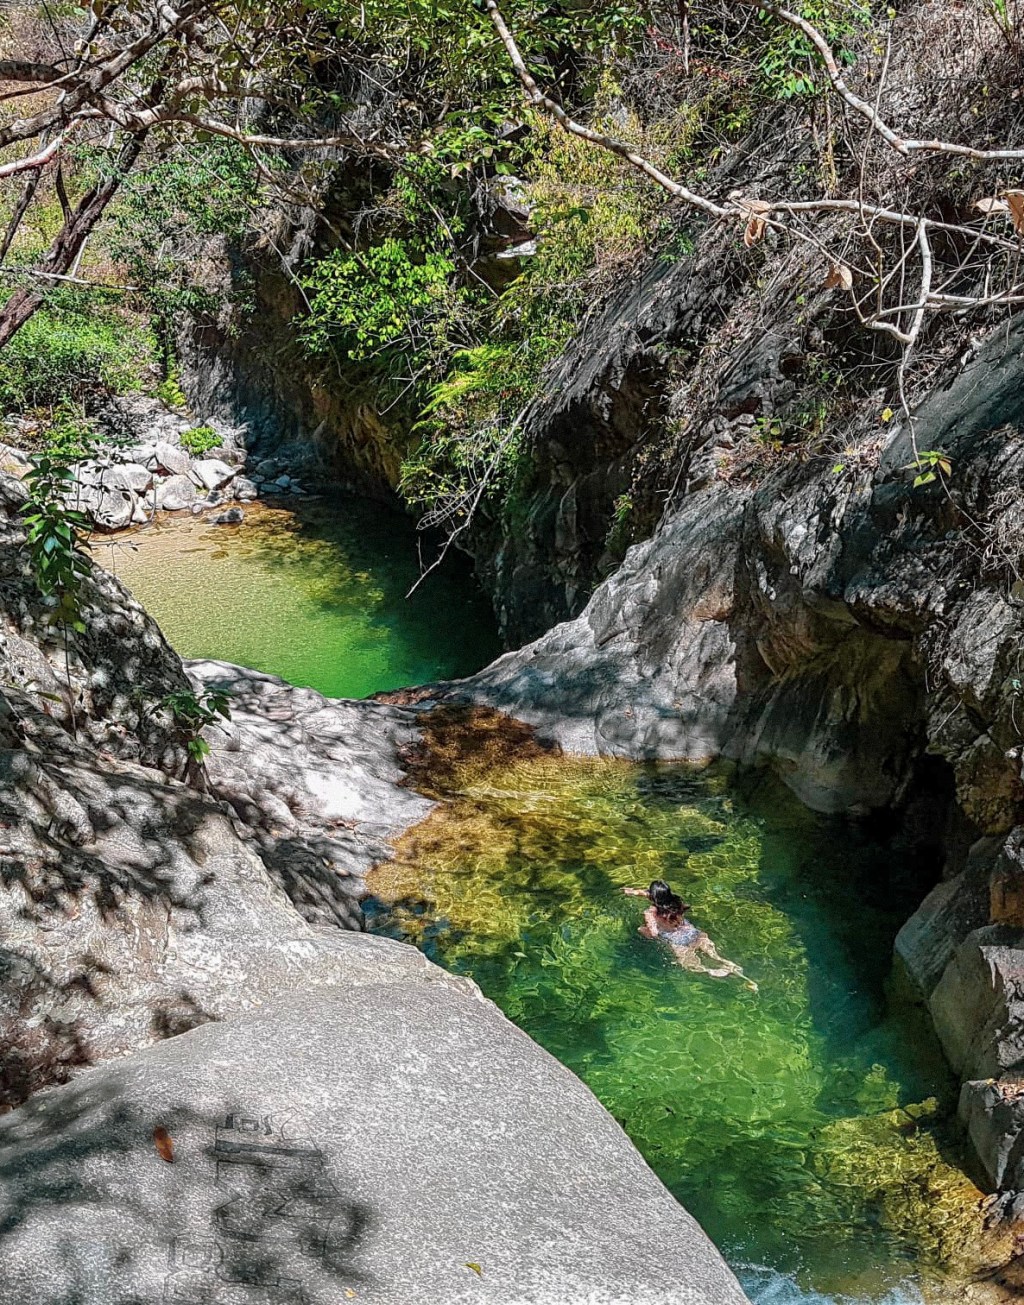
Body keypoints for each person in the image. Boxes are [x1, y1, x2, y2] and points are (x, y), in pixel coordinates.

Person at [621, 880, 757, 990]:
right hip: (693, 933)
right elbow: (654, 896)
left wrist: (644, 930)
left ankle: (710, 971)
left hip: (677, 941)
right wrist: (634, 892)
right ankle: (737, 971)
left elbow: (654, 933)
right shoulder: (677, 902)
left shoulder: (650, 913)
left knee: (692, 967)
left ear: (653, 897)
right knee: (716, 956)